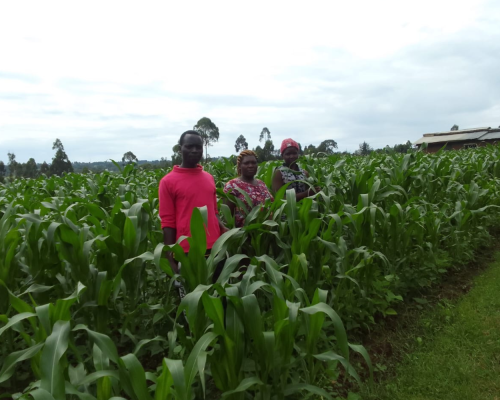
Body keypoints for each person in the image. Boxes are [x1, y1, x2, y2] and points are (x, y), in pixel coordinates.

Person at [159, 130, 227, 274]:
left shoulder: (209, 178)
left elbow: (213, 211)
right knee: (191, 296)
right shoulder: (167, 182)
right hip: (186, 250)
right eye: (189, 147)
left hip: (215, 248)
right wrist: (170, 257)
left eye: (198, 147)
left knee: (218, 294)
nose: (195, 150)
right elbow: (168, 222)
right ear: (180, 149)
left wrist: (223, 229)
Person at [224, 150, 273, 227]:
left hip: (265, 235)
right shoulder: (232, 185)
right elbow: (227, 217)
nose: (251, 165)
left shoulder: (261, 184)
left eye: (254, 163)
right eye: (246, 163)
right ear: (239, 166)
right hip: (243, 235)